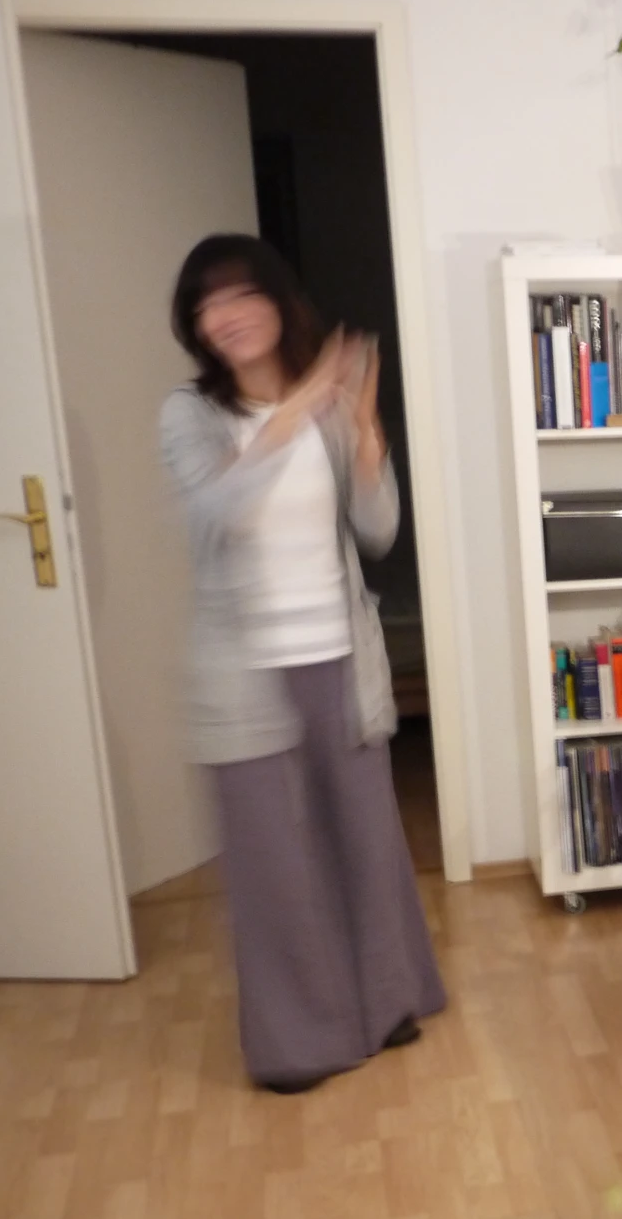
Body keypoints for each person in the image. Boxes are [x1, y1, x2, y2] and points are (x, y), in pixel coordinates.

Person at [160, 234, 444, 1093]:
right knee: (275, 868)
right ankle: (298, 1042)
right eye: (208, 304)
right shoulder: (191, 416)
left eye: (240, 295)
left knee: (363, 840)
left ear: (277, 301)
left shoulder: (326, 411)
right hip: (247, 676)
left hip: (338, 655)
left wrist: (361, 436)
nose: (225, 316)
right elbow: (210, 515)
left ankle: (386, 1001)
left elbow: (378, 532)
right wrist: (294, 413)